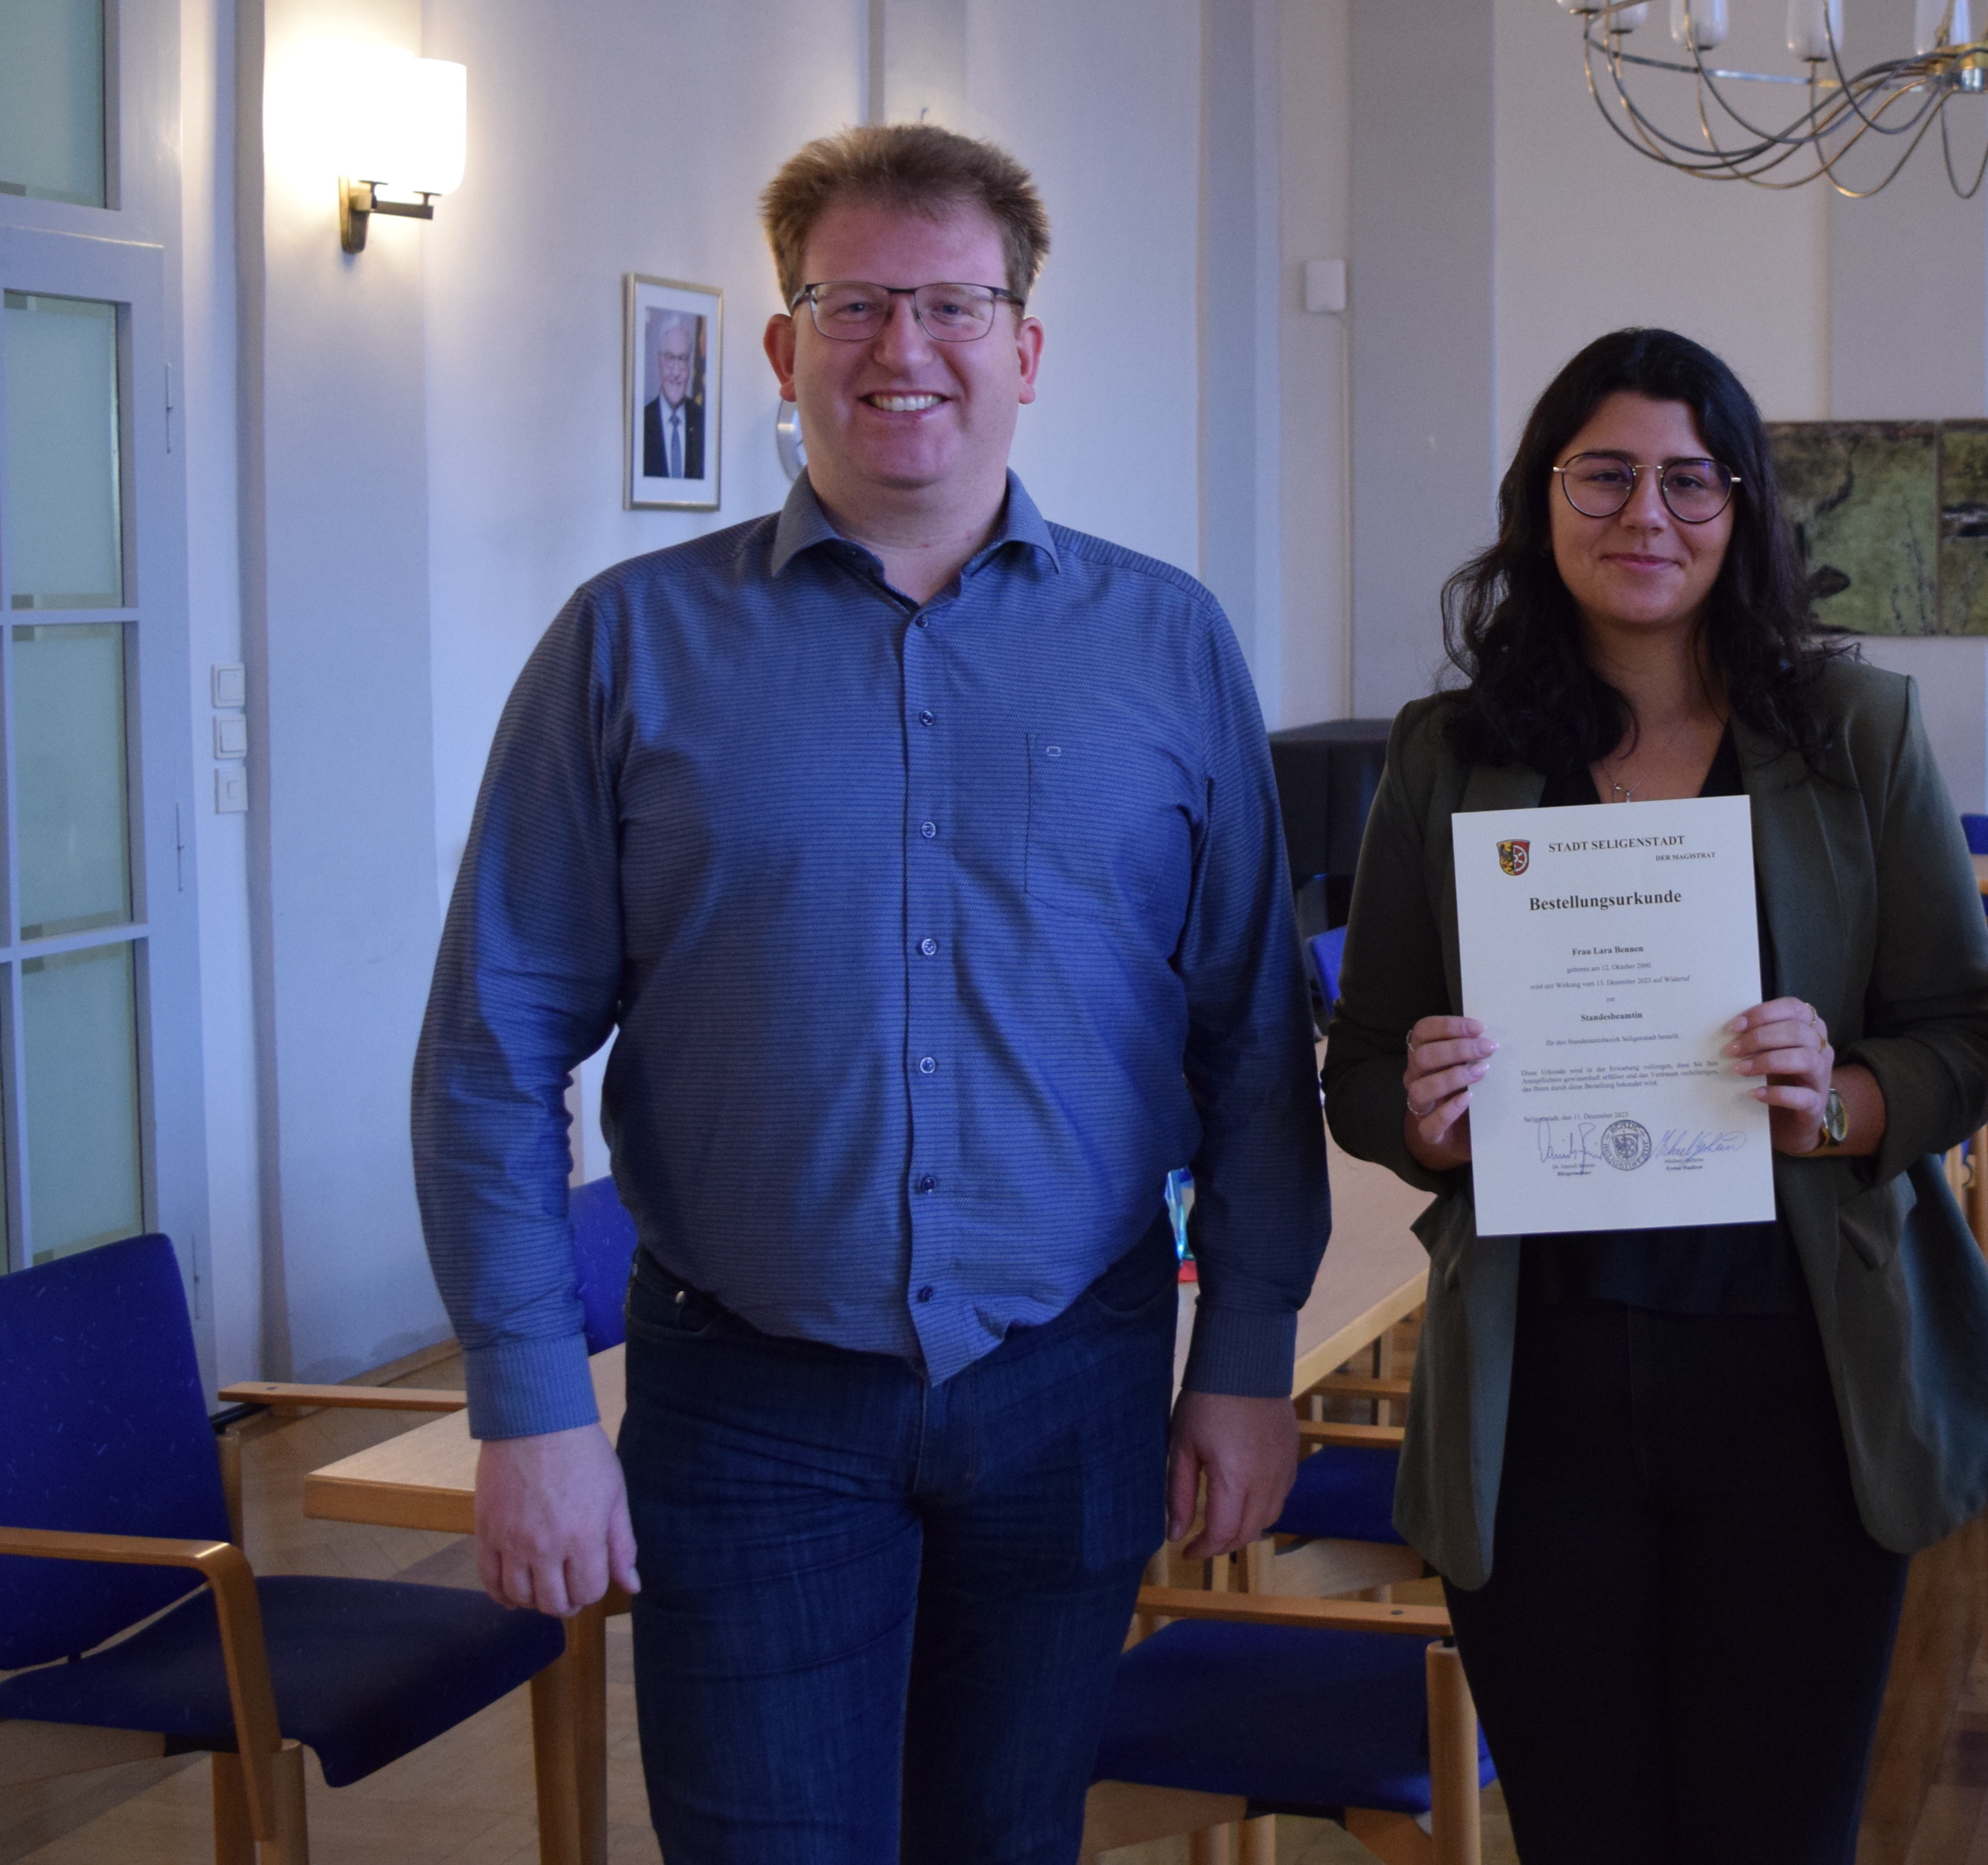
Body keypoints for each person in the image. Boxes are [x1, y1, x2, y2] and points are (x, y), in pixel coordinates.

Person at [411, 121, 1328, 1865]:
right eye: (852, 304)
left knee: (1011, 1836)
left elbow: (1249, 1036)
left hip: (1075, 1371)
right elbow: (490, 1047)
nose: (903, 350)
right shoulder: (625, 646)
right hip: (747, 1395)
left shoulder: (1167, 643)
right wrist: (528, 1401)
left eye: (953, 306)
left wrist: (1250, 1352)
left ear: (1026, 349)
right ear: (782, 346)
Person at [1322, 328, 1988, 1865]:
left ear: (1741, 511)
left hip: (1800, 1381)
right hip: (1543, 1392)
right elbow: (1367, 1063)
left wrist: (1839, 1095)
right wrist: (1420, 1109)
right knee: (1585, 1838)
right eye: (1603, 476)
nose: (1644, 515)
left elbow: (1966, 1042)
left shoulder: (1857, 734)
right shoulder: (1447, 754)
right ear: (1542, 500)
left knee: (1772, 1837)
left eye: (1687, 480)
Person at [639, 307, 706, 482]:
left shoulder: (703, 422)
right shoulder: (643, 421)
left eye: (682, 359)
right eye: (670, 358)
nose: (676, 372)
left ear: (690, 365)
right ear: (659, 361)